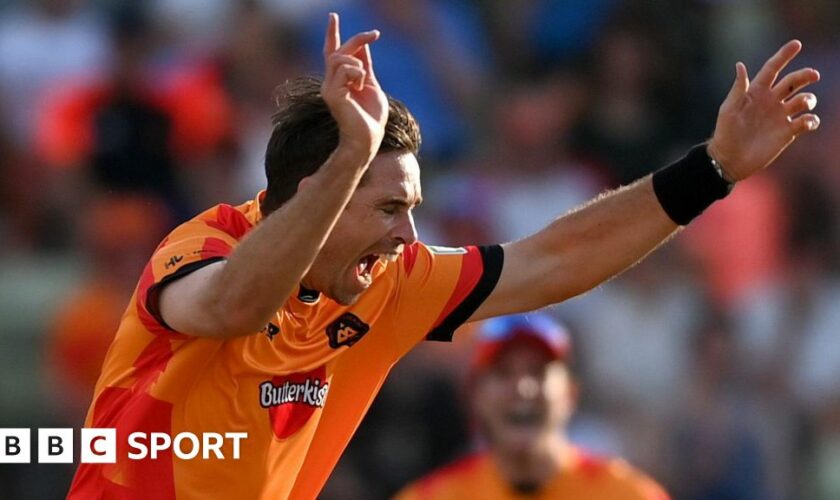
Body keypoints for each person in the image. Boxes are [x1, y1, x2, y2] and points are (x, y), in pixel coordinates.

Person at [68, 12, 821, 500]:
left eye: (414, 208)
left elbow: (551, 261)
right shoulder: (203, 248)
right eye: (389, 207)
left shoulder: (389, 282)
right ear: (314, 192)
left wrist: (713, 169)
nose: (407, 235)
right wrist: (350, 153)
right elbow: (236, 305)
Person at [394, 313, 668, 499]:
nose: (523, 388)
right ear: (474, 396)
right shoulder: (432, 496)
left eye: (538, 371)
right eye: (503, 373)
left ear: (570, 395)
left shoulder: (627, 494)